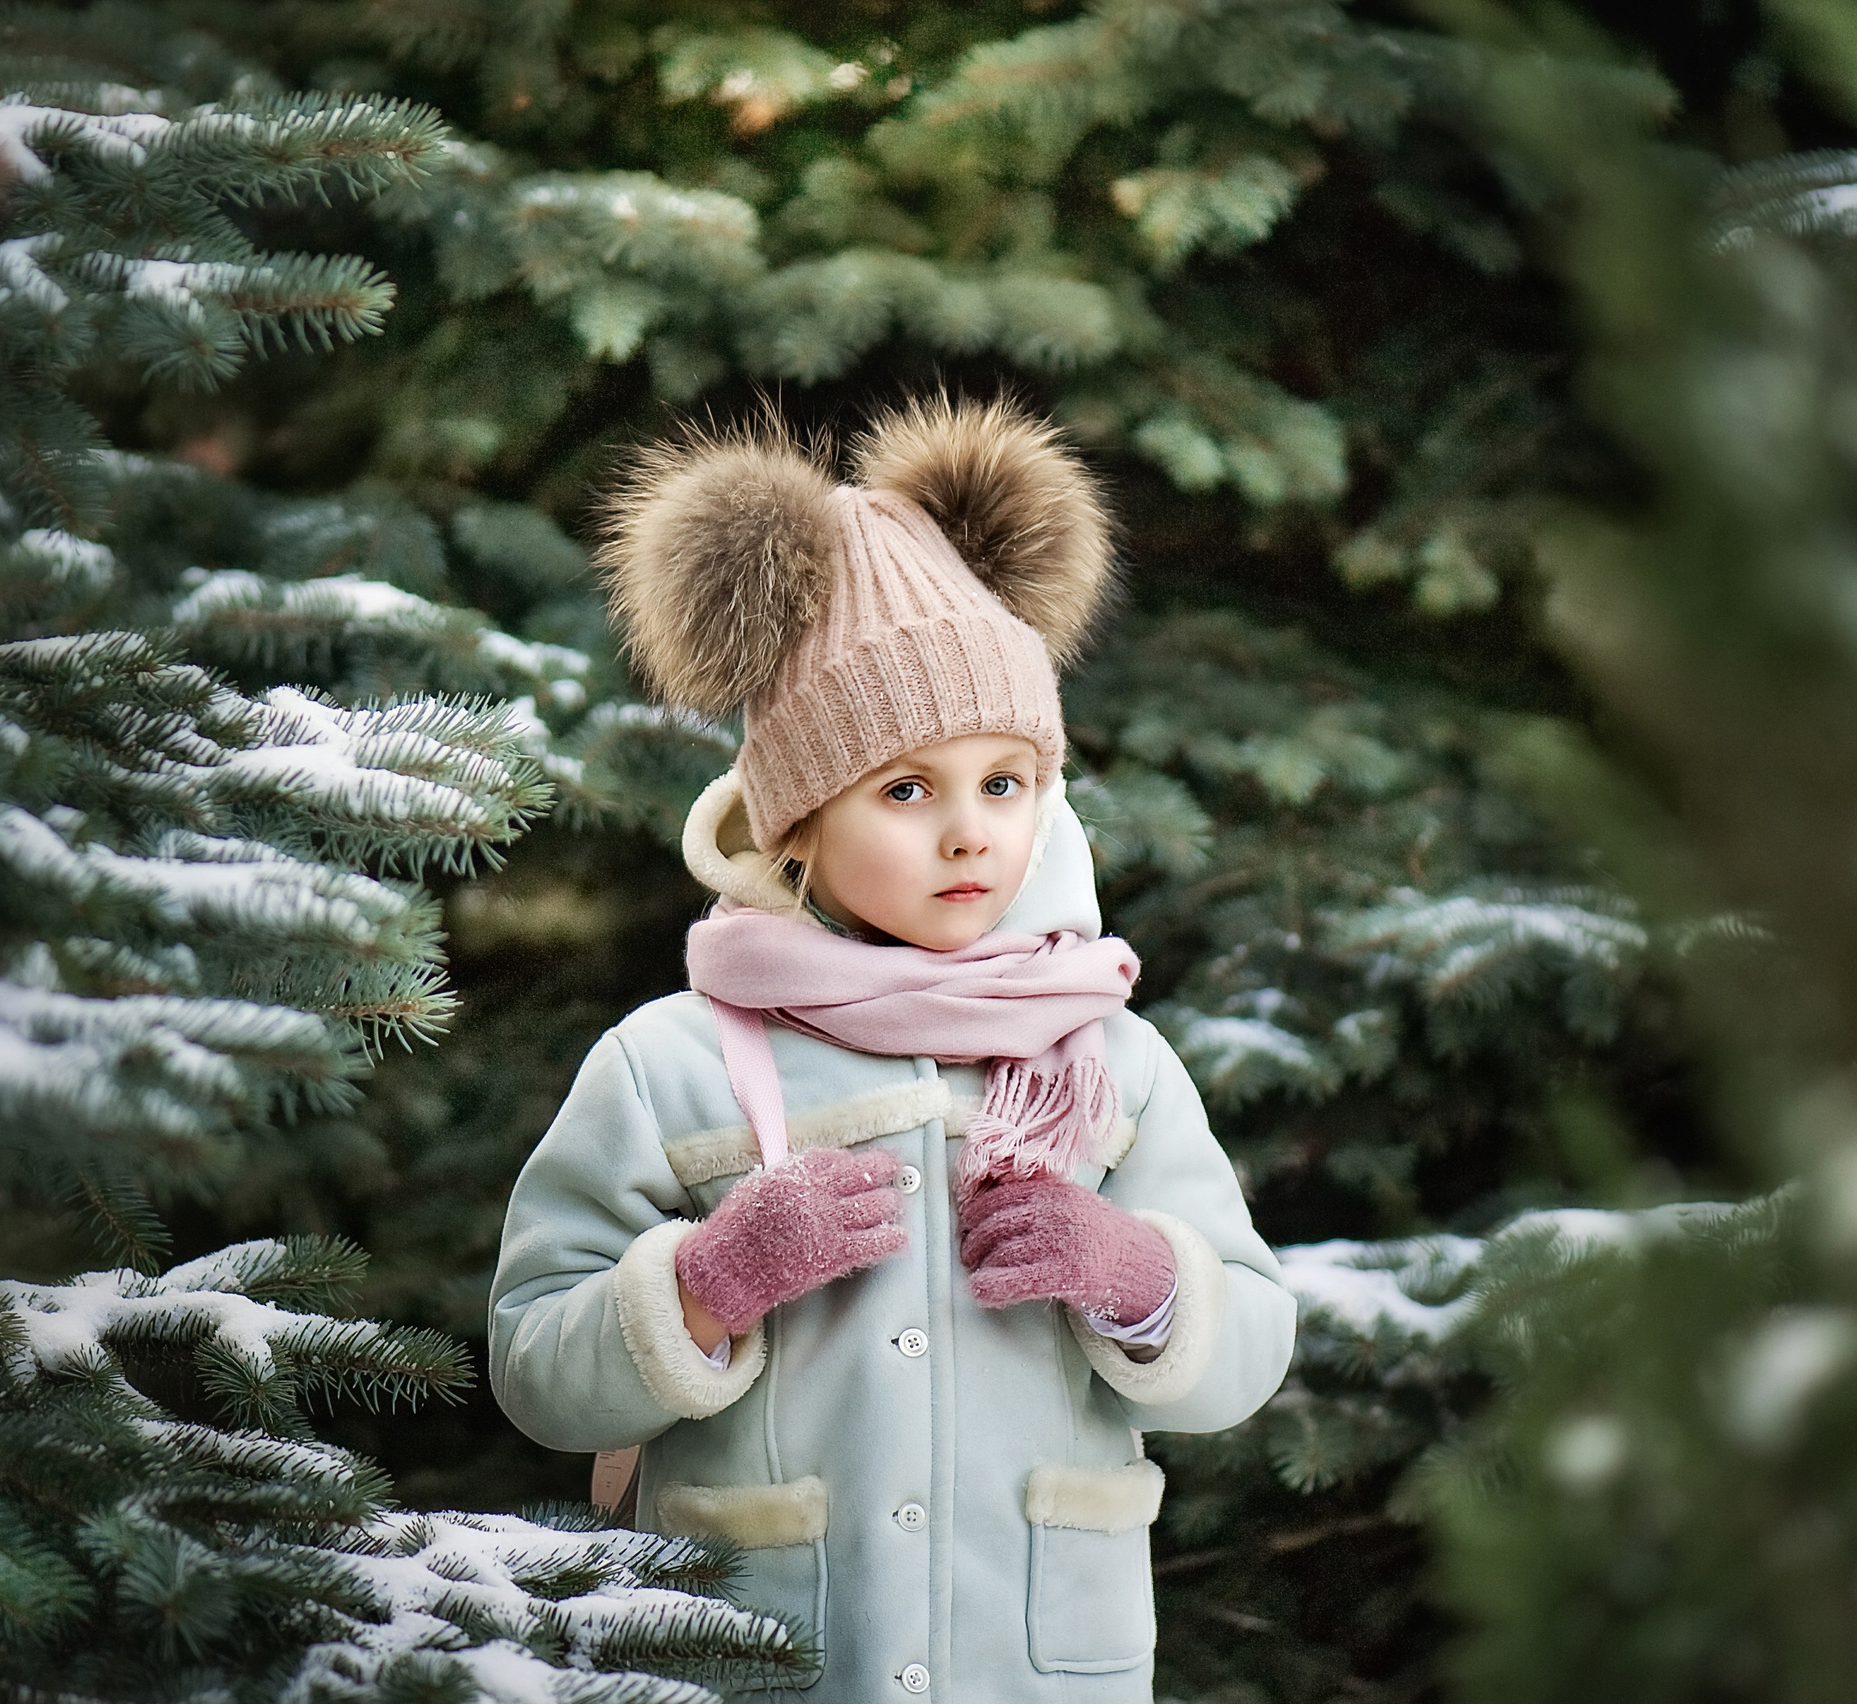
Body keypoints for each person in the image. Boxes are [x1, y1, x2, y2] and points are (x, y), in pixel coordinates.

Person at [488, 394, 1295, 1701]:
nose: (970, 832)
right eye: (907, 791)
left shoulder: (1109, 1062)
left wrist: (1135, 1274)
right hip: (779, 1658)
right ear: (798, 820)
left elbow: (1246, 1347)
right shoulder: (672, 1064)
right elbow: (537, 1370)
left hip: (1037, 1665)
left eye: (1004, 782)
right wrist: (705, 1281)